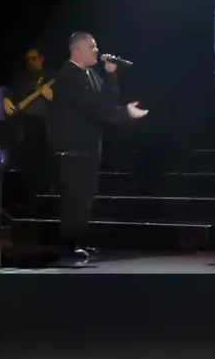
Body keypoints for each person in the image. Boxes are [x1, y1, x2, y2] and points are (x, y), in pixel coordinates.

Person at [49, 32, 148, 266]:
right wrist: (125, 113)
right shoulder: (68, 76)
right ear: (77, 50)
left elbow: (106, 102)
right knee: (74, 200)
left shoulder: (90, 74)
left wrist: (111, 76)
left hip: (89, 148)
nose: (97, 51)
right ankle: (69, 248)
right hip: (73, 149)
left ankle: (79, 243)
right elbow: (95, 109)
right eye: (92, 47)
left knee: (85, 198)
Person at [3, 47, 54, 204]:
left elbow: (60, 101)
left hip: (45, 126)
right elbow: (10, 96)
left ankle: (46, 198)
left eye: (34, 58)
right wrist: (6, 100)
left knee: (44, 164)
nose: (30, 61)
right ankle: (26, 200)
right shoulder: (21, 79)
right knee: (26, 164)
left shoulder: (50, 76)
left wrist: (50, 95)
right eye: (27, 59)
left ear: (41, 59)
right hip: (25, 126)